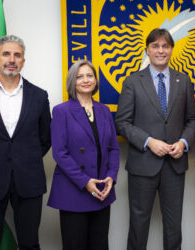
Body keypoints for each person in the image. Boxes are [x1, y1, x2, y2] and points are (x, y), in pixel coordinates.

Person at [115, 28, 195, 250]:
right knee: (138, 225)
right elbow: (122, 122)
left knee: (174, 227)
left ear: (171, 50)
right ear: (147, 50)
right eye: (155, 46)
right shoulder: (132, 82)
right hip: (143, 165)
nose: (161, 50)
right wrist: (149, 141)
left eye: (165, 46)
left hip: (174, 165)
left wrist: (184, 143)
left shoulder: (184, 80)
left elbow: (191, 120)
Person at [47, 60, 120, 250]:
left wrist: (111, 176)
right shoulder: (61, 111)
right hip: (74, 190)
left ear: (96, 81)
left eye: (90, 76)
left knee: (100, 245)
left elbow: (113, 148)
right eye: (80, 76)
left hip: (102, 191)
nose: (85, 80)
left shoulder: (104, 110)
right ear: (73, 81)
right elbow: (60, 153)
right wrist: (85, 181)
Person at [0, 35, 51, 249]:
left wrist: (24, 158)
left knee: (30, 243)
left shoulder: (40, 96)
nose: (11, 59)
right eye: (6, 54)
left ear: (23, 61)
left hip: (29, 180)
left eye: (17, 55)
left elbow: (45, 139)